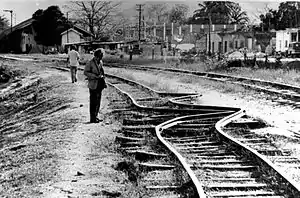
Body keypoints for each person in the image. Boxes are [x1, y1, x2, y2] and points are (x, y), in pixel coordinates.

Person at [84, 48, 107, 123]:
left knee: (98, 101)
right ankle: (92, 118)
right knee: (93, 102)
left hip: (99, 84)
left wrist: (102, 78)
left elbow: (101, 71)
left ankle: (96, 116)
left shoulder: (100, 62)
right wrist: (94, 76)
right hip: (93, 84)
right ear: (97, 56)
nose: (101, 57)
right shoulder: (90, 63)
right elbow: (86, 72)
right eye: (100, 56)